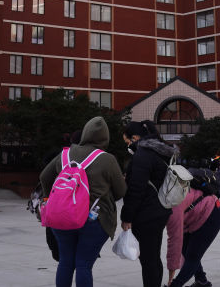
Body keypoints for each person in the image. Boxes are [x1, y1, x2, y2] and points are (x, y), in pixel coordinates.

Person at [41, 116, 126, 287]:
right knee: (83, 265)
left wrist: (50, 198)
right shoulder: (107, 159)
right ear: (105, 137)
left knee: (65, 261)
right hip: (95, 218)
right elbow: (121, 191)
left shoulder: (65, 154)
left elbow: (44, 177)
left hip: (63, 216)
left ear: (86, 133)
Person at [120, 121, 174, 287]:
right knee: (153, 256)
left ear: (136, 137)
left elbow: (136, 189)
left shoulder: (142, 155)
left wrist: (127, 217)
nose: (128, 145)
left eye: (128, 141)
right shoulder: (160, 152)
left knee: (148, 260)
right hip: (161, 209)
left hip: (147, 214)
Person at [164, 183, 220, 287]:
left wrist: (171, 274)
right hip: (195, 216)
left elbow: (174, 242)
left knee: (192, 256)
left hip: (212, 213)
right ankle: (202, 281)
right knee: (186, 250)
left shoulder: (173, 207)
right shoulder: (166, 195)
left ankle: (176, 285)